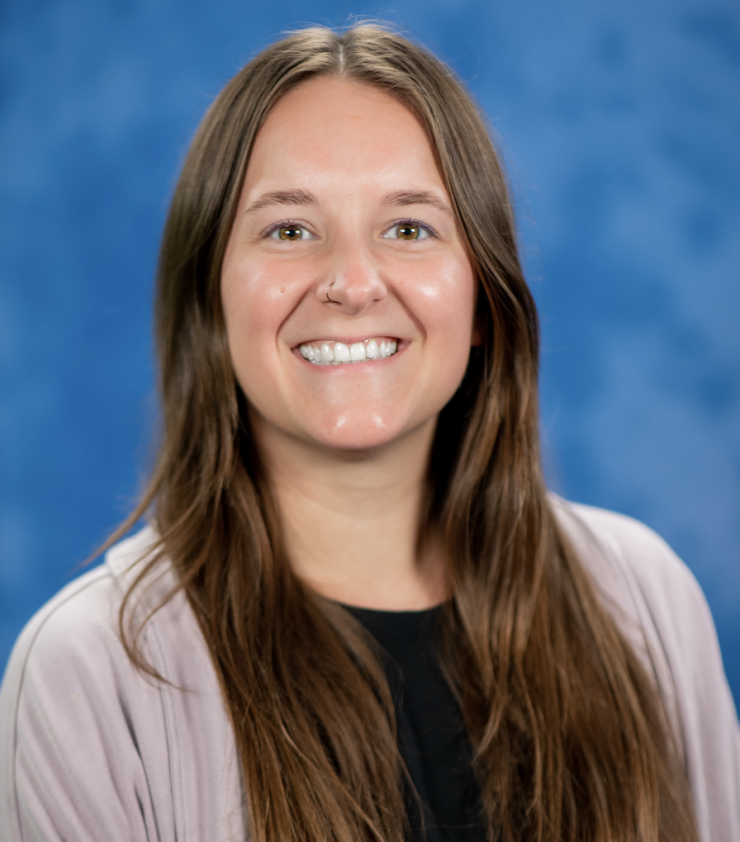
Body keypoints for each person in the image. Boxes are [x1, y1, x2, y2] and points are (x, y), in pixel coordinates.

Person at [0, 24, 738, 842]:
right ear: (212, 297)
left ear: (482, 300)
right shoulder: (91, 675)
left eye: (409, 228)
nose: (353, 284)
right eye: (289, 229)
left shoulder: (644, 604)